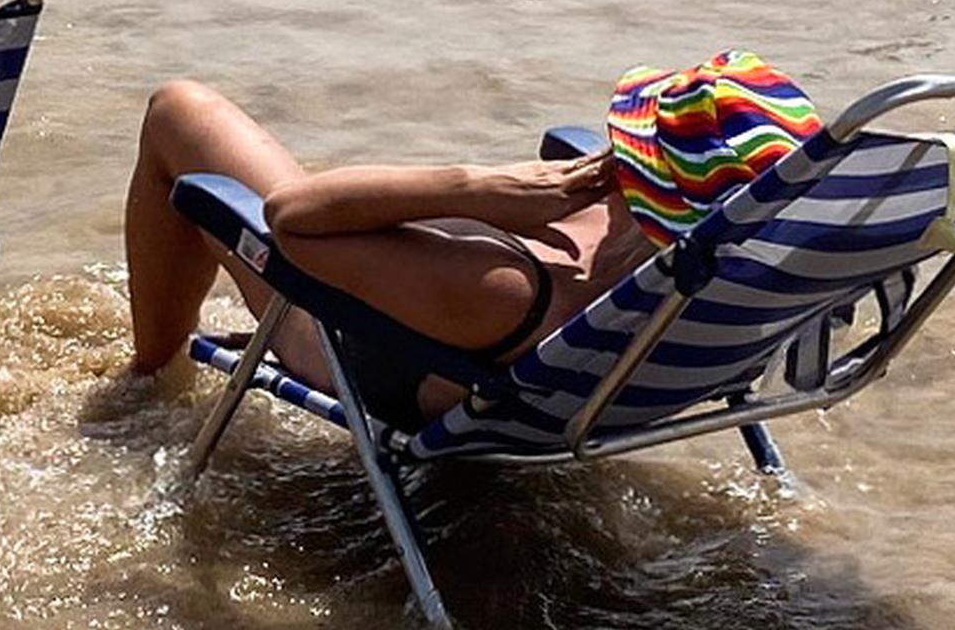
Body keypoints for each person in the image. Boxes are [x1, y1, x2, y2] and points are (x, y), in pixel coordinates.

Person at [114, 52, 822, 422]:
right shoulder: (735, 269)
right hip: (565, 388)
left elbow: (293, 219)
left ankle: (150, 372)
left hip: (334, 335)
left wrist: (480, 190)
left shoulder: (515, 292)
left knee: (178, 111)